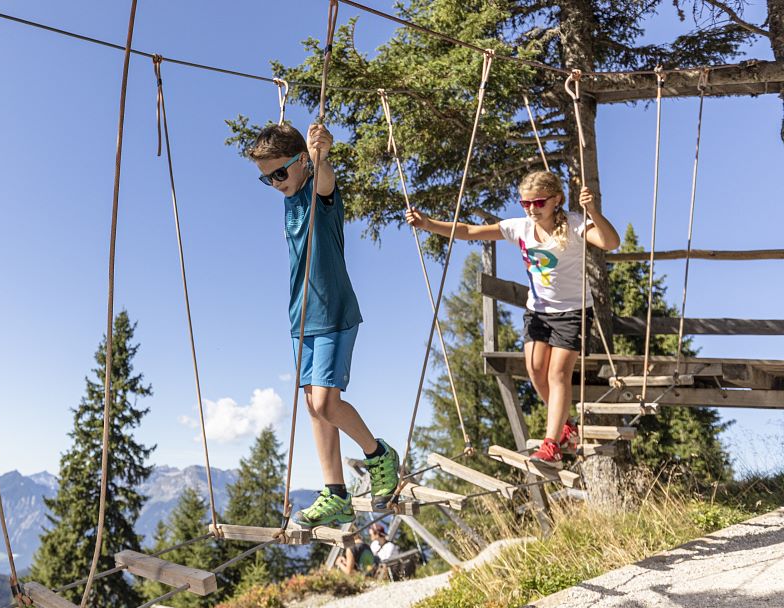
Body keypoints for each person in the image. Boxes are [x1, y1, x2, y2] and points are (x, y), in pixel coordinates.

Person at [405, 170, 620, 464]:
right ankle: (566, 426)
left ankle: (551, 443)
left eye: (539, 203)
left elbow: (610, 242)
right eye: (526, 204)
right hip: (538, 312)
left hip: (573, 312)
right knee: (535, 370)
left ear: (556, 200)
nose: (532, 209)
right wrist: (428, 224)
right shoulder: (519, 228)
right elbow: (468, 231)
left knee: (558, 373)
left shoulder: (574, 224)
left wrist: (593, 211)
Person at [247, 122, 399, 526]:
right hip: (302, 317)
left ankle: (378, 454)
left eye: (280, 173)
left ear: (301, 163)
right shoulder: (291, 196)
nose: (275, 182)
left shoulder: (319, 190)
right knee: (314, 408)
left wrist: (321, 157)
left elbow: (326, 181)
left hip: (332, 311)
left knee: (326, 402)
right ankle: (335, 492)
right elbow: (281, 149)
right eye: (267, 178)